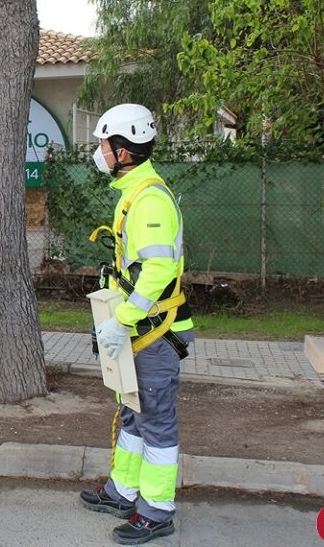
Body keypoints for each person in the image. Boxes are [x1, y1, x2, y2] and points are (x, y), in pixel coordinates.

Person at [79, 104, 195, 545]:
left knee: (156, 420)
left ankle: (157, 511)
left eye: (103, 145)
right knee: (132, 411)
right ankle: (123, 491)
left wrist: (123, 321)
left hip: (155, 332)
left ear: (123, 151)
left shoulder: (149, 200)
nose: (99, 152)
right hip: (141, 329)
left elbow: (158, 271)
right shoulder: (136, 191)